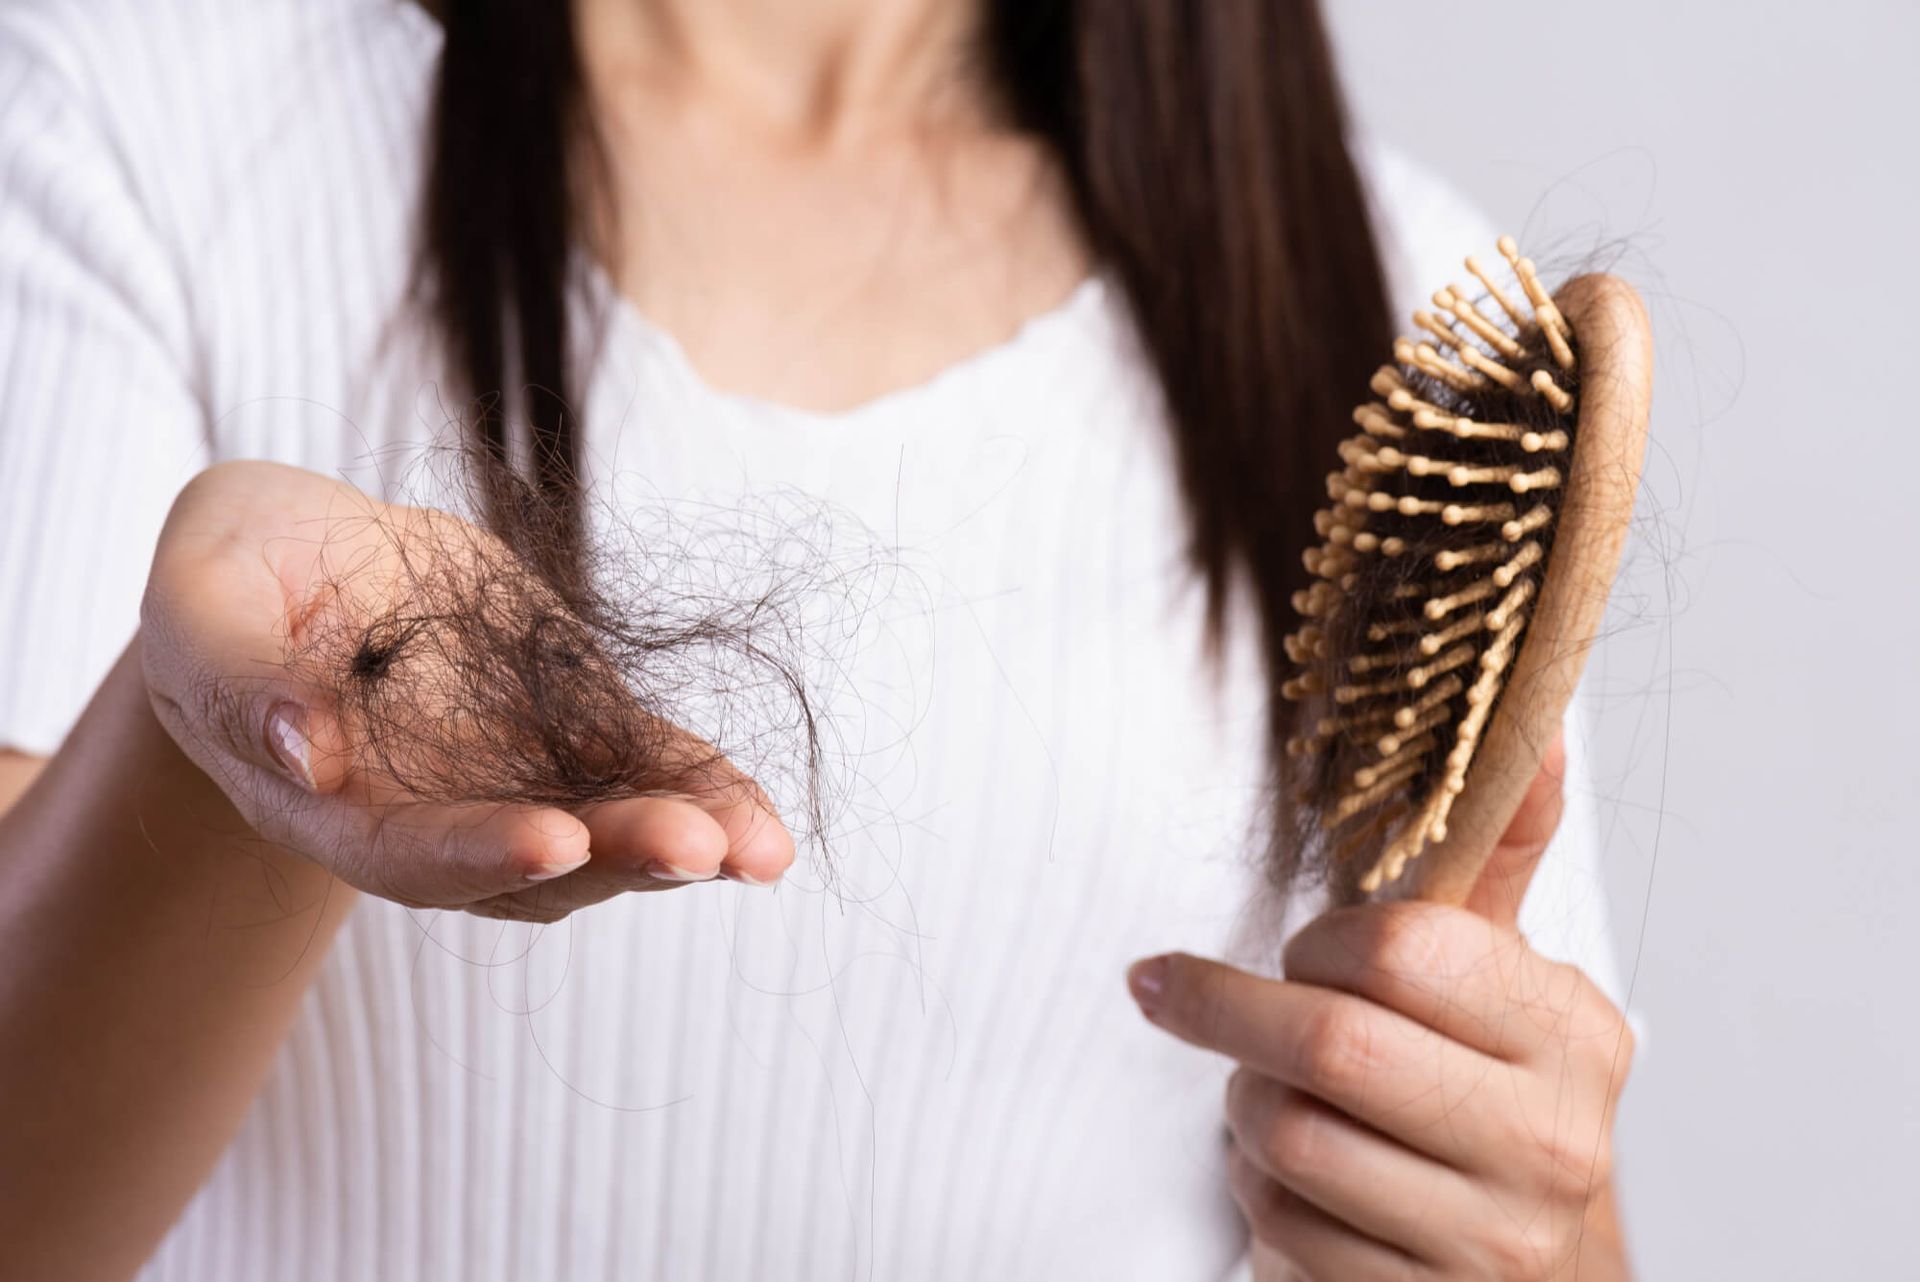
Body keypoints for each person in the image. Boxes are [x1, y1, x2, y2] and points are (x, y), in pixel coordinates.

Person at [0, 1, 1635, 1278]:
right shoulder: (128, 135)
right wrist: (213, 742)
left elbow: (1516, 1196)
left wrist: (1507, 1239)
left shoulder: (1395, 310)